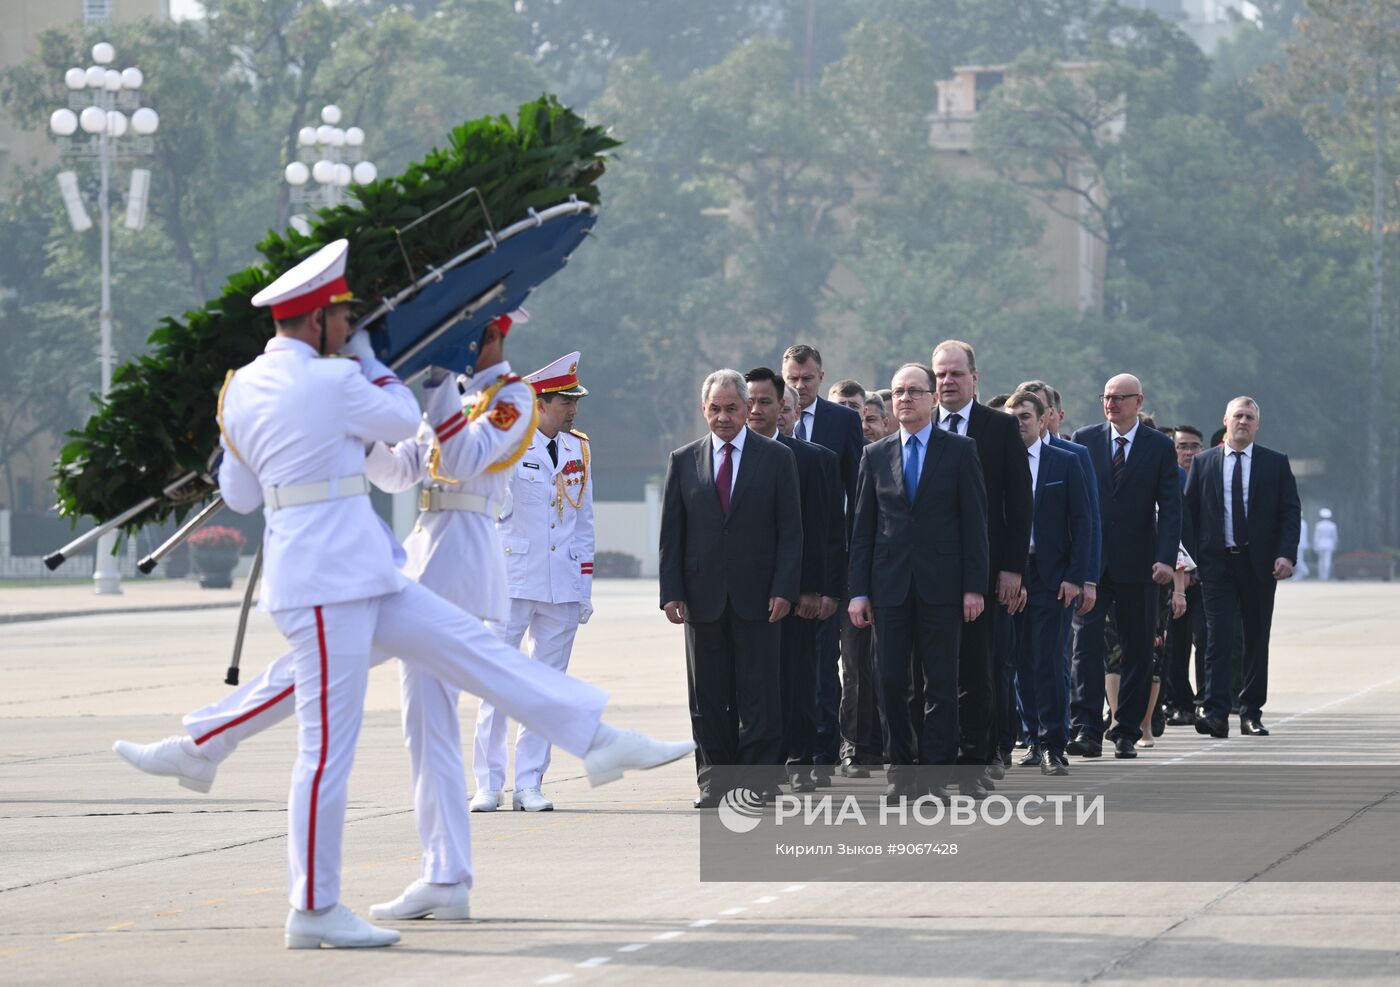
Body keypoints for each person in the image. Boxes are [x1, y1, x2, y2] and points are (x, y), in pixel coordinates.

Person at [115, 241, 692, 948]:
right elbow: (398, 462)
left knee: (460, 662)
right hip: (368, 562)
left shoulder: (506, 393)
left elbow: (457, 457)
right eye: (347, 317)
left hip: (430, 556)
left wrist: (413, 397)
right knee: (373, 709)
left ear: (491, 337)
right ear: (325, 319)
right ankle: (314, 869)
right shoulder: (343, 382)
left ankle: (593, 740)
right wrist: (361, 406)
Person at [660, 369, 802, 807]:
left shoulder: (776, 458)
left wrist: (784, 588)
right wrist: (671, 591)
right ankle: (714, 781)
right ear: (704, 410)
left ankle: (758, 782)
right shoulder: (683, 460)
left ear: (748, 409)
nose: (723, 417)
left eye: (732, 408)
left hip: (759, 598)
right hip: (702, 599)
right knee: (707, 696)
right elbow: (672, 534)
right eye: (715, 409)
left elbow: (790, 532)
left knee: (759, 693)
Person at [848, 363, 989, 800]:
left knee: (941, 684)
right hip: (889, 588)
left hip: (942, 588)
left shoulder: (960, 450)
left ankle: (933, 777)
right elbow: (863, 529)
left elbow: (975, 524)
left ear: (931, 398)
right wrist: (858, 591)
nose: (904, 399)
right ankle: (901, 774)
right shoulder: (875, 455)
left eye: (914, 391)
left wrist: (973, 586)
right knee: (890, 682)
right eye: (897, 393)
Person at [471, 351, 595, 813]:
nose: (573, 409)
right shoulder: (505, 446)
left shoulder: (577, 448)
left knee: (546, 690)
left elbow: (583, 521)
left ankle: (529, 782)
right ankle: (488, 783)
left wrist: (583, 587)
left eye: (573, 401)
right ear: (539, 403)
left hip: (560, 583)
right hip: (511, 580)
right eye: (565, 401)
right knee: (497, 684)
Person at [931, 341, 1032, 790]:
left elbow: (1019, 502)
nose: (947, 382)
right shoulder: (919, 425)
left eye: (956, 374)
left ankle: (978, 756)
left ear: (975, 378)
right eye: (940, 375)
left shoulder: (999, 427)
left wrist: (1012, 568)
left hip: (986, 572)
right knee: (934, 672)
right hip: (930, 572)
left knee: (980, 667)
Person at [1068, 373, 1181, 759]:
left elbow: (1170, 508)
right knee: (1084, 645)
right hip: (1092, 565)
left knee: (1137, 647)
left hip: (1141, 564)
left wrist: (1166, 559)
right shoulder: (1083, 439)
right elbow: (1075, 505)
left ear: (1138, 401)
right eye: (1107, 397)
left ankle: (1126, 729)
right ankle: (1085, 725)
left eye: (1120, 398)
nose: (1111, 403)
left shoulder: (1159, 446)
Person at [745, 368, 840, 792]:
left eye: (772, 404)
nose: (760, 411)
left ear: (790, 410)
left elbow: (824, 530)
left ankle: (802, 759)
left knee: (800, 679)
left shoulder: (813, 458)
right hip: (746, 594)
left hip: (799, 593)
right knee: (754, 684)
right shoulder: (729, 454)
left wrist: (818, 589)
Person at [1184, 396, 1300, 738]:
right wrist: (1189, 562)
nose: (1243, 422)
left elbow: (1290, 512)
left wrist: (1286, 554)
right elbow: (1189, 515)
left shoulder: (1274, 463)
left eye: (1250, 417)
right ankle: (1216, 710)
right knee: (1216, 639)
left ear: (1257, 425)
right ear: (1226, 419)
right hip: (1216, 565)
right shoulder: (1204, 463)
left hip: (1259, 565)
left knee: (1254, 638)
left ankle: (1251, 711)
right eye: (1238, 416)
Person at [782, 345, 864, 781]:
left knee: (827, 662)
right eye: (792, 379)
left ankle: (824, 751)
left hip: (832, 559)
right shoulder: (766, 416)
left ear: (821, 376)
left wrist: (848, 559)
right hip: (782, 565)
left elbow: (857, 489)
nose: (800, 386)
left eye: (807, 379)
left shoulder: (842, 421)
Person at [1005, 390, 1091, 776]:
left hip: (1052, 576)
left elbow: (1083, 523)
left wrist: (1076, 577)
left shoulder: (1065, 462)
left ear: (1043, 421)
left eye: (1025, 416)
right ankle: (1032, 737)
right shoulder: (999, 462)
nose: (1018, 423)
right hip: (1010, 573)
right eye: (1012, 417)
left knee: (1048, 660)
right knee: (1019, 660)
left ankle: (1054, 743)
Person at [1165, 425, 1207, 724]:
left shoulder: (1209, 478)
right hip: (1176, 573)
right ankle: (1181, 701)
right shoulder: (1167, 479)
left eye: (1194, 446)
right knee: (1174, 644)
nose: (1189, 452)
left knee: (1205, 640)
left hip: (1206, 574)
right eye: (1183, 446)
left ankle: (1207, 699)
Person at [1314, 509, 1338, 581]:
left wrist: (1315, 545)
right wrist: (1335, 544)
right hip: (1329, 544)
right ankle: (1326, 576)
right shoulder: (1333, 525)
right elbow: (1335, 537)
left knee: (1321, 561)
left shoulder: (1318, 525)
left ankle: (1321, 576)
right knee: (1328, 561)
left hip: (1320, 544)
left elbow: (1316, 536)